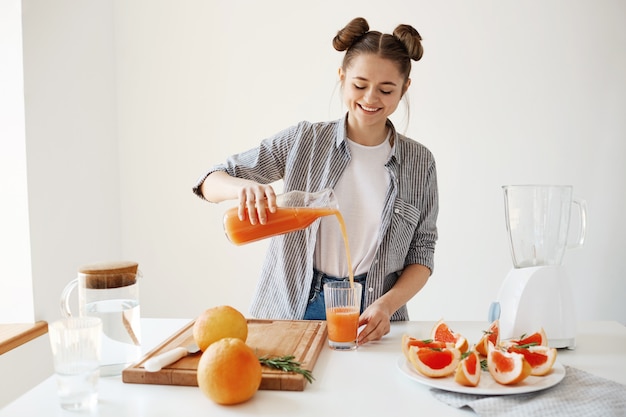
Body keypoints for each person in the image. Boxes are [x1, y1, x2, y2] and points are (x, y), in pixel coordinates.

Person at [192, 17, 438, 345]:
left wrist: (386, 305)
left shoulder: (420, 163)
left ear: (404, 88)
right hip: (290, 307)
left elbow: (422, 252)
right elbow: (208, 181)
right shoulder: (303, 140)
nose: (370, 98)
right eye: (359, 85)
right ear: (342, 77)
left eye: (386, 89)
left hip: (372, 316)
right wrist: (241, 188)